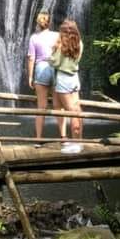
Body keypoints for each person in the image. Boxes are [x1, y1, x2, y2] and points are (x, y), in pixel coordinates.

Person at [50, 19, 84, 153]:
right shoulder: (80, 44)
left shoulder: (62, 46)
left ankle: (75, 145)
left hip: (63, 79)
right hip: (74, 78)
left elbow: (55, 63)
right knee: (77, 111)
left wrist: (53, 51)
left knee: (72, 112)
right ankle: (79, 141)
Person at [27, 10, 59, 146]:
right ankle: (63, 138)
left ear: (38, 24)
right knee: (59, 107)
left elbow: (31, 58)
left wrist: (30, 76)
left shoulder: (34, 38)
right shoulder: (57, 35)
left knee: (41, 107)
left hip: (40, 68)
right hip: (55, 67)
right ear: (49, 23)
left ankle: (38, 139)